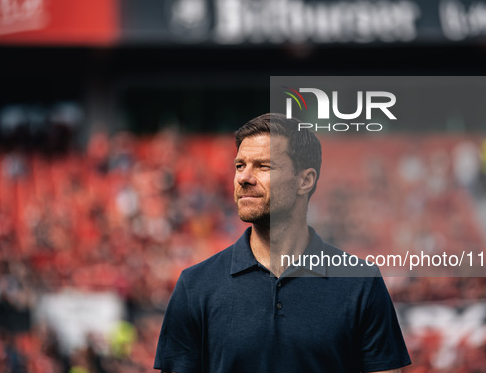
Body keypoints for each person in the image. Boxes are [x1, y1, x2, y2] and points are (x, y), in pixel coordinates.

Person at [154, 113, 411, 373]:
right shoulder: (196, 286)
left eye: (264, 166)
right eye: (240, 165)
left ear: (306, 180)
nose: (244, 177)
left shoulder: (362, 283)